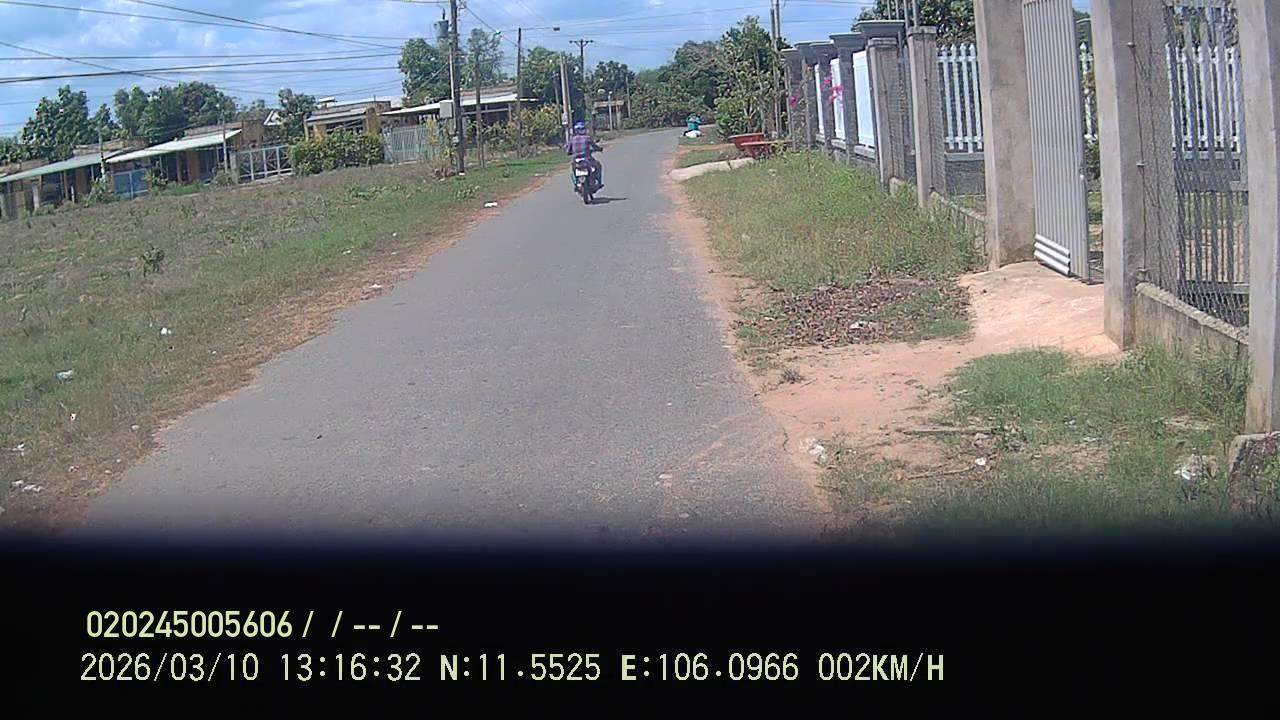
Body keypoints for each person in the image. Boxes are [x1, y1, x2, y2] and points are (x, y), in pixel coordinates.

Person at [566, 121, 603, 190]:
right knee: (598, 166)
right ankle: (599, 182)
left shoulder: (572, 139)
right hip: (587, 158)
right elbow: (594, 146)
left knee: (572, 171)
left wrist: (570, 152)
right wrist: (599, 149)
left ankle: (576, 184)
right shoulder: (587, 138)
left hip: (576, 160)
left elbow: (568, 150)